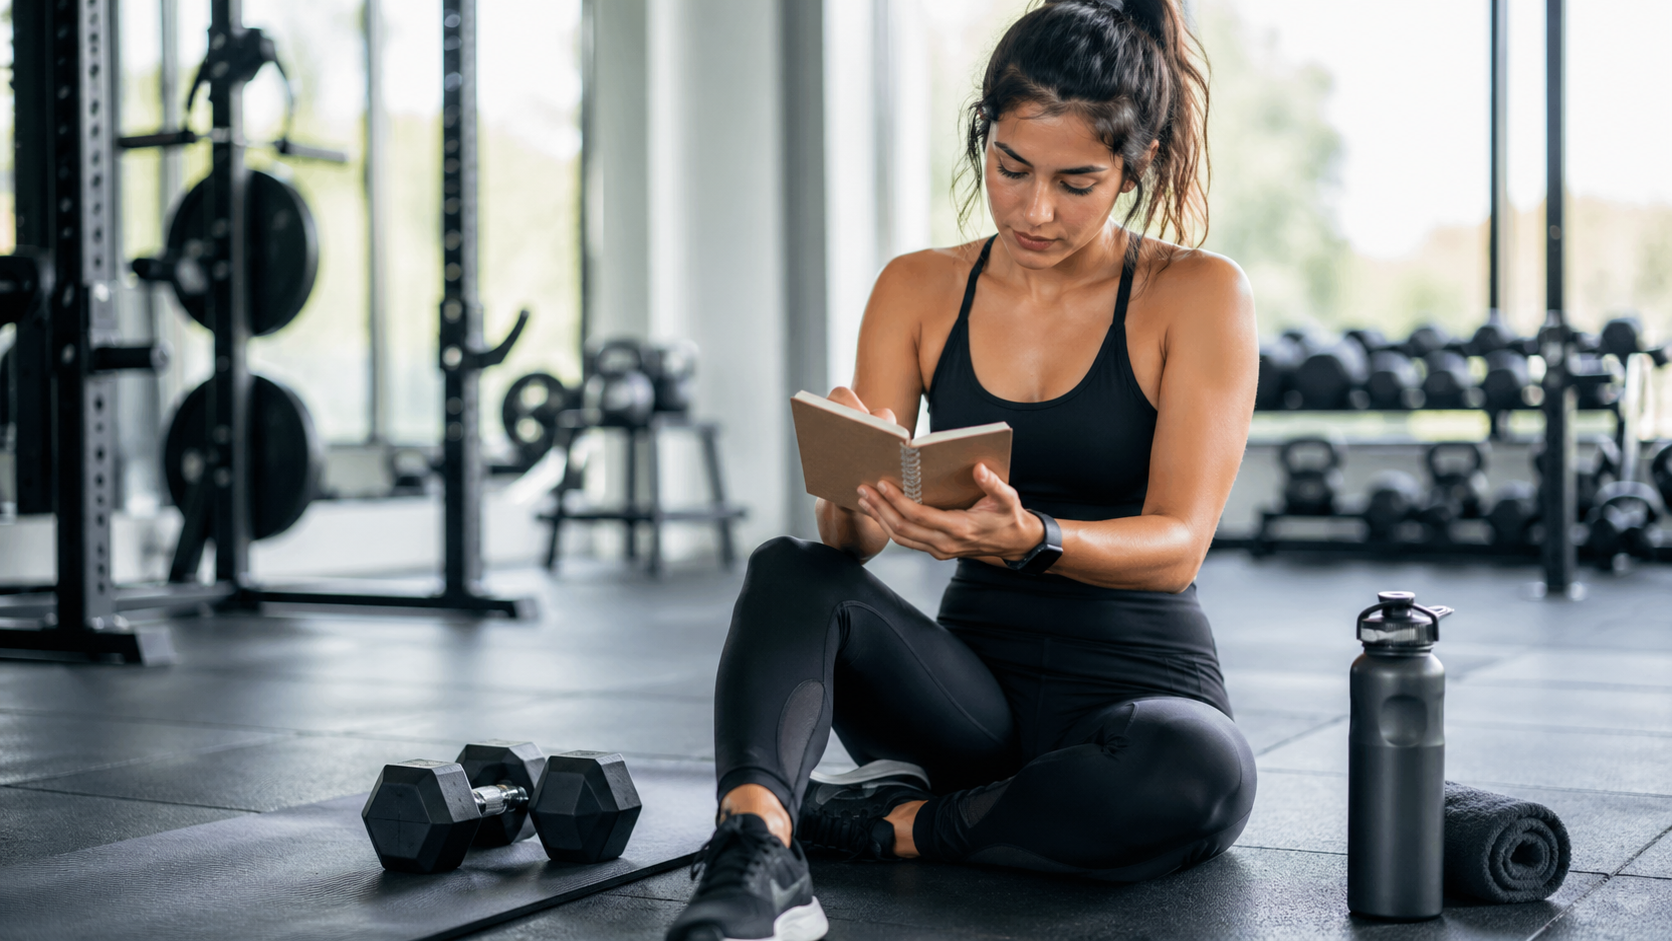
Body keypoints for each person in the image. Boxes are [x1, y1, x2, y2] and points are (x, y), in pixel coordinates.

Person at [666, 1, 1257, 938]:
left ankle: (887, 825)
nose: (1034, 209)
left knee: (1199, 767)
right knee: (790, 568)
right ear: (983, 135)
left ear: (1132, 170)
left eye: (1077, 183)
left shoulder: (1196, 294)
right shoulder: (920, 285)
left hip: (1136, 694)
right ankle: (757, 846)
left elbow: (1178, 545)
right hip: (964, 704)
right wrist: (854, 481)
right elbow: (847, 544)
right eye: (1011, 168)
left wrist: (1033, 538)